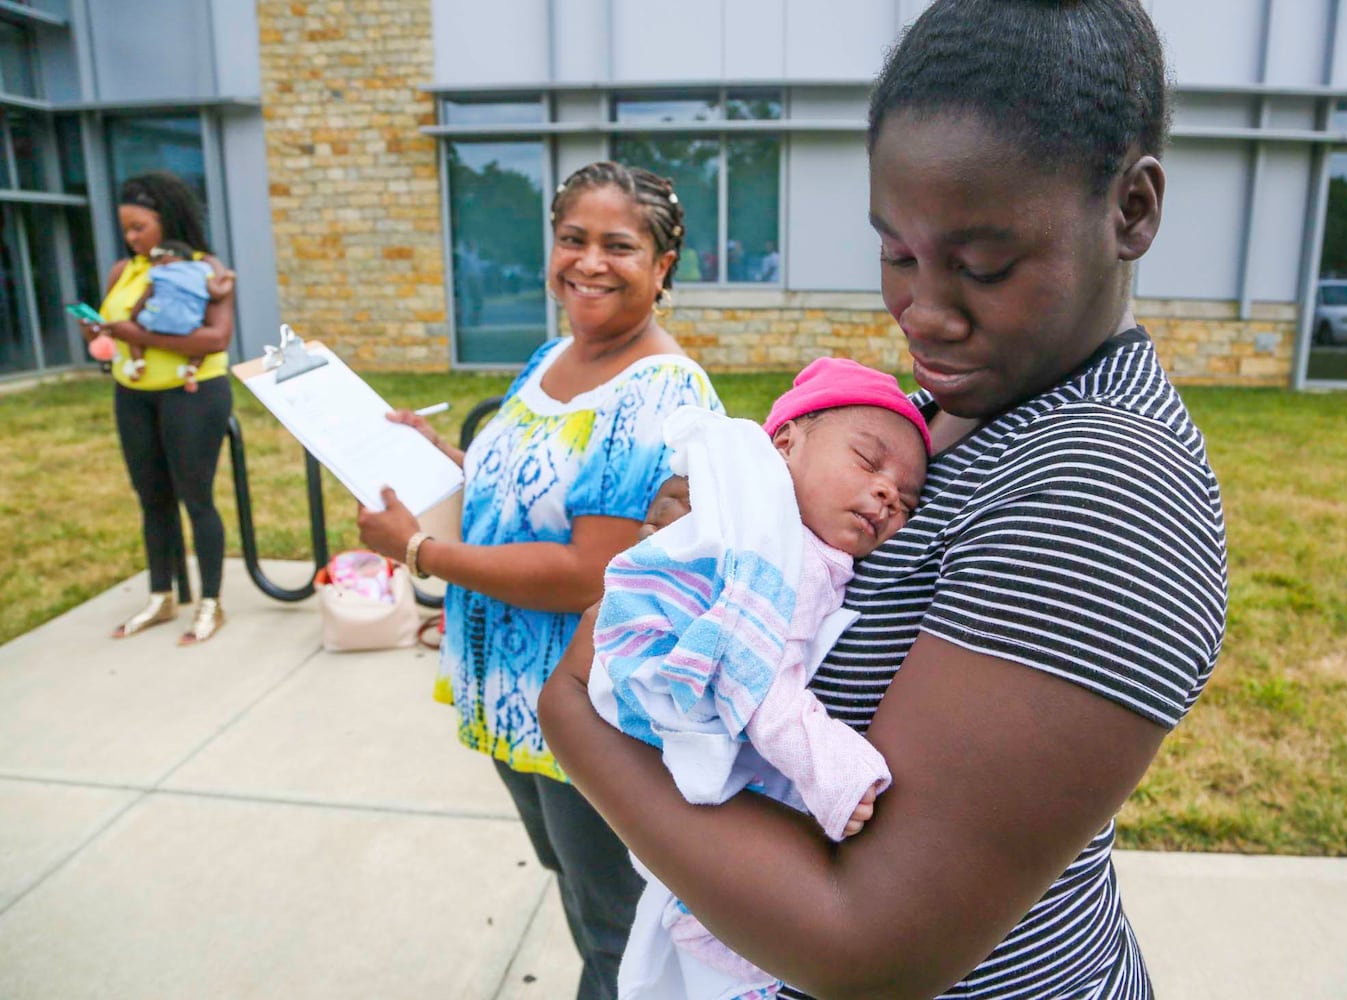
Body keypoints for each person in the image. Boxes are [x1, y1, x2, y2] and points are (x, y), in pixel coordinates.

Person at [540, 2, 1229, 998]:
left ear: (1130, 210)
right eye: (896, 252)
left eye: (983, 265)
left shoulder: (1104, 489)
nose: (922, 312)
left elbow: (872, 945)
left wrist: (574, 712)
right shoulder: (941, 409)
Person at [356, 161, 724, 1000]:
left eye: (618, 246)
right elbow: (516, 492)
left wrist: (419, 554)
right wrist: (439, 459)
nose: (589, 262)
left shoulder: (658, 390)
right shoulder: (552, 355)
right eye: (573, 239)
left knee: (614, 934)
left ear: (662, 266)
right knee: (572, 881)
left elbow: (585, 568)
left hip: (586, 713)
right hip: (511, 696)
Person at [590, 358, 932, 1000]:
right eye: (867, 460)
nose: (889, 494)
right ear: (785, 443)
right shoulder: (781, 552)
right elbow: (756, 681)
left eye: (908, 499)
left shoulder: (783, 535)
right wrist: (833, 769)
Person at [75, 171, 237, 646]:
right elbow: (114, 326)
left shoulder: (205, 266)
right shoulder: (121, 271)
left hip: (193, 395)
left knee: (197, 497)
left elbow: (217, 338)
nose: (131, 238)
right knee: (151, 498)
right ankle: (160, 595)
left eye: (139, 228)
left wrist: (136, 335)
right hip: (133, 394)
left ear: (167, 221)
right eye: (125, 229)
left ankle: (210, 602)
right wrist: (99, 333)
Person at [120, 240, 237, 392]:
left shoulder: (157, 272)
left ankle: (138, 363)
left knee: (133, 336)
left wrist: (133, 318)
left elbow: (144, 297)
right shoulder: (202, 268)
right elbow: (217, 293)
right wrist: (229, 279)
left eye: (155, 260)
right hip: (187, 322)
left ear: (166, 258)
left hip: (155, 319)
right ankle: (192, 370)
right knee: (201, 348)